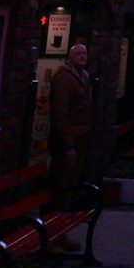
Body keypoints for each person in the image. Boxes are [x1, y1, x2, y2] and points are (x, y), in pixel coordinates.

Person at [48, 43, 94, 222]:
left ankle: (61, 223)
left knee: (70, 184)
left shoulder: (83, 76)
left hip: (80, 139)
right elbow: (61, 114)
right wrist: (68, 145)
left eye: (85, 53)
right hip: (68, 142)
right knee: (61, 184)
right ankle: (53, 224)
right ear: (70, 57)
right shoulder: (65, 78)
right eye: (78, 54)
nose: (82, 56)